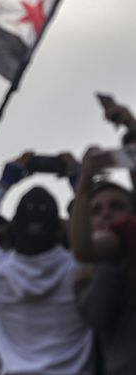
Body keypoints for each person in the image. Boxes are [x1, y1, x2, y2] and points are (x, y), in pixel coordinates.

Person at [0, 153, 92, 374]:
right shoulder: (78, 270)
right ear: (60, 228)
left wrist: (6, 180)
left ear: (13, 228)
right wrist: (78, 180)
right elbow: (98, 229)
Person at [71, 146, 136, 375]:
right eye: (96, 211)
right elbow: (95, 314)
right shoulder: (84, 274)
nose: (106, 214)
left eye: (116, 206)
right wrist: (84, 180)